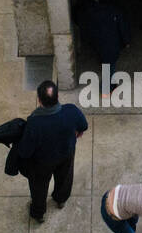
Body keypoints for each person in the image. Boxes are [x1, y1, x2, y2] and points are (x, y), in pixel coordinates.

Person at [15, 80, 89, 222]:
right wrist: (75, 135)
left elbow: (25, 151)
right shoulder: (71, 111)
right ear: (58, 96)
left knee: (39, 187)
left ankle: (38, 212)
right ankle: (61, 199)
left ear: (39, 100)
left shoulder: (34, 123)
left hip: (42, 162)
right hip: (66, 154)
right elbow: (83, 126)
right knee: (65, 177)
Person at [78, 0, 131, 71]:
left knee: (105, 60)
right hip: (113, 42)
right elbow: (122, 27)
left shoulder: (90, 11)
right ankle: (108, 82)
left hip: (98, 42)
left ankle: (108, 79)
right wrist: (126, 41)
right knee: (110, 63)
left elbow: (83, 23)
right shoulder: (115, 10)